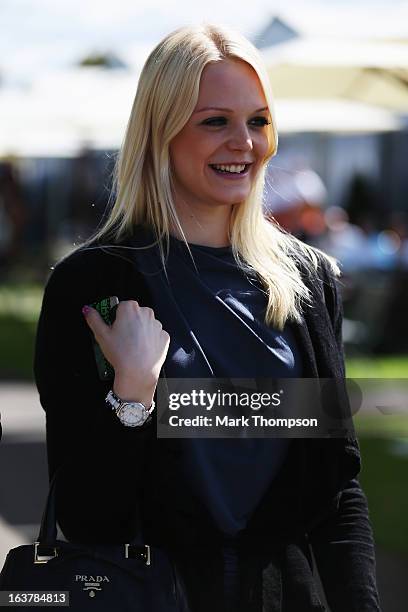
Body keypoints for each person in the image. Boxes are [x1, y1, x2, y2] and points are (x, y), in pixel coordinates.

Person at [33, 24, 381, 612]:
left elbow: (337, 489)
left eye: (258, 121)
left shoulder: (307, 280)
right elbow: (88, 516)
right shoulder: (92, 287)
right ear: (160, 132)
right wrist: (133, 395)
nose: (243, 142)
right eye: (214, 121)